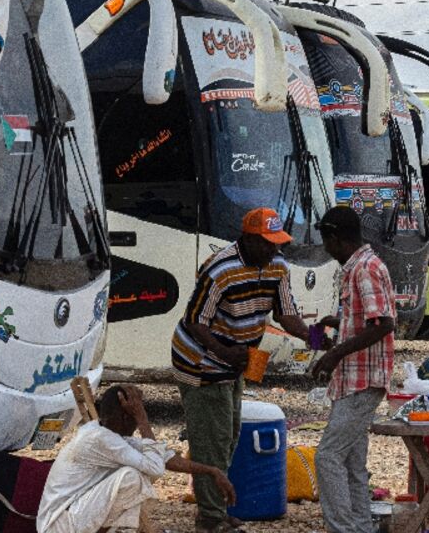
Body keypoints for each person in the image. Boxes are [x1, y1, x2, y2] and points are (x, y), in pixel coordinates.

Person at [170, 208, 309, 533]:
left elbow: (287, 314)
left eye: (278, 243)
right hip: (200, 361)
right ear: (248, 239)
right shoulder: (220, 269)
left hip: (236, 360)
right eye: (267, 243)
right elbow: (195, 319)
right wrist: (223, 352)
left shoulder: (277, 266)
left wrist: (315, 337)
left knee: (229, 436)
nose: (274, 250)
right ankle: (211, 518)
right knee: (212, 441)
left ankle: (212, 510)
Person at [37, 385, 235, 533]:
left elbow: (163, 457)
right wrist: (142, 418)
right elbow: (155, 468)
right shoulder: (99, 438)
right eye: (133, 415)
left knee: (136, 474)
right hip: (59, 525)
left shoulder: (109, 434)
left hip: (71, 518)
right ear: (126, 418)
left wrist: (212, 471)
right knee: (132, 477)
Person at [308, 206, 396, 533]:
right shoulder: (357, 267)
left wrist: (333, 355)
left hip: (362, 380)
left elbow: (383, 324)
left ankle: (342, 528)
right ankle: (361, 527)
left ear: (335, 238)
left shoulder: (365, 268)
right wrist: (339, 322)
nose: (326, 248)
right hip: (352, 380)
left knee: (327, 457)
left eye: (326, 241)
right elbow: (367, 319)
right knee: (351, 464)